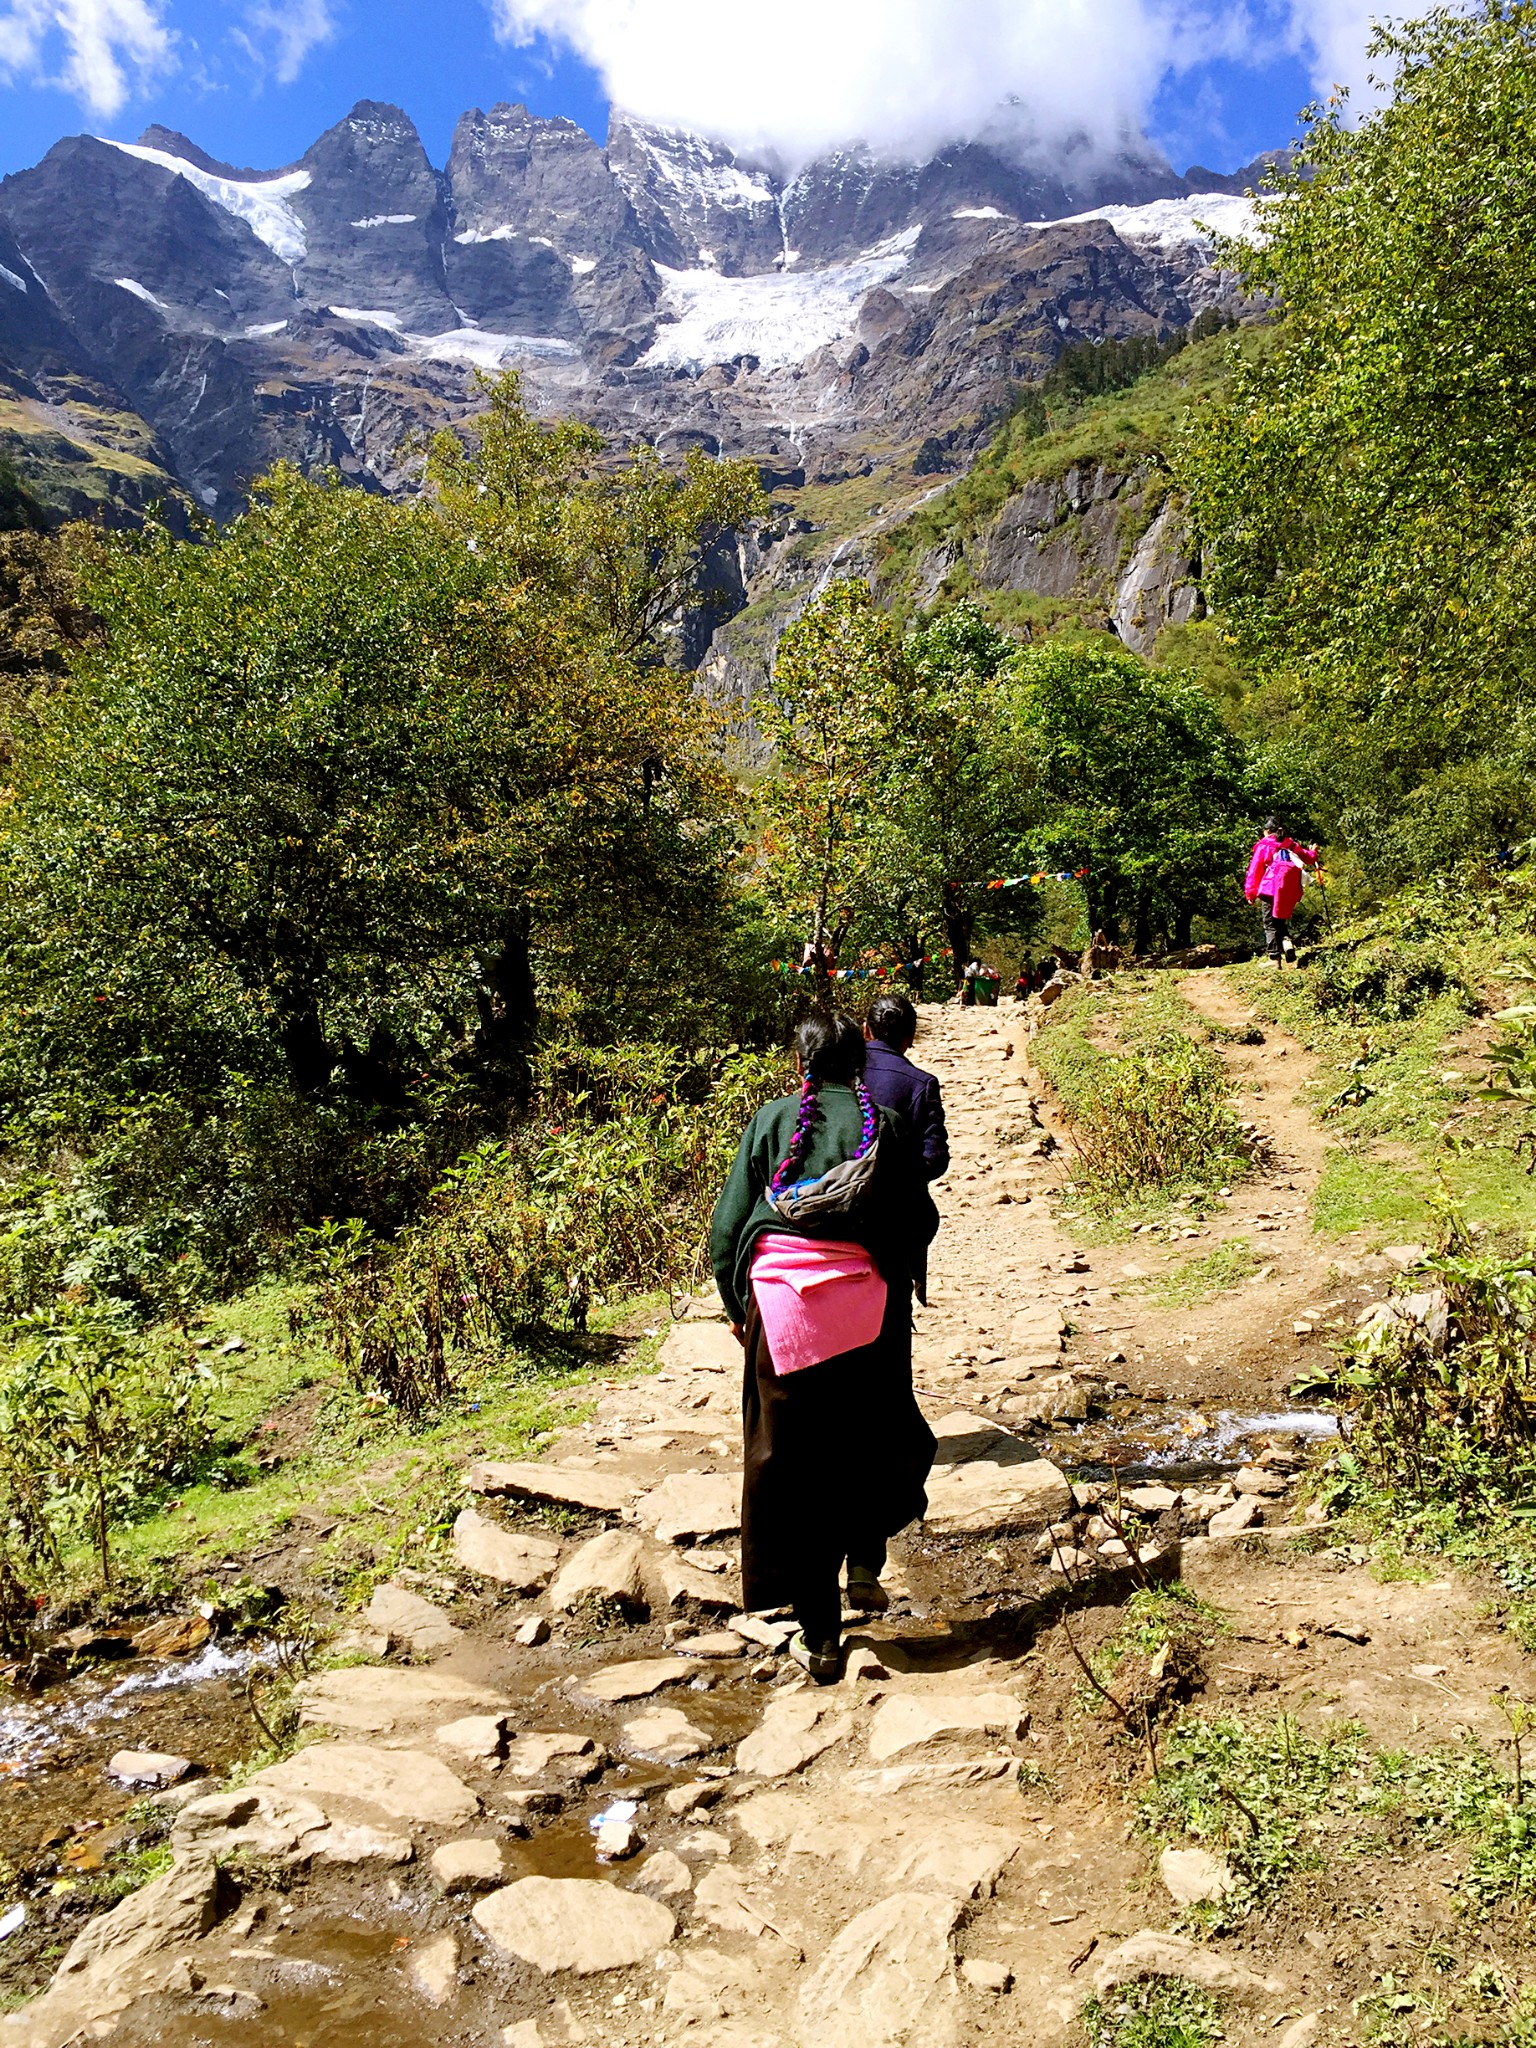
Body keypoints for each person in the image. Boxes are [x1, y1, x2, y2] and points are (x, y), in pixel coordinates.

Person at [710, 1012, 938, 1684]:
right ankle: (865, 1559)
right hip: (868, 1317)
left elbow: (728, 1229)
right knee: (872, 1440)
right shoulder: (885, 1128)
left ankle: (821, 1638)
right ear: (858, 1063)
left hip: (781, 1318)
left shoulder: (772, 1120)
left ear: (801, 1060)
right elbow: (917, 1218)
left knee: (793, 1468)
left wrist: (738, 1309)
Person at [1244, 818, 1320, 965]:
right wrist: (1313, 852)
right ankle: (1287, 944)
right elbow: (1309, 858)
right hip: (1288, 888)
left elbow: (1255, 870)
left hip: (1269, 887)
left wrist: (1250, 893)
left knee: (1269, 923)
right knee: (1279, 919)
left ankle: (1274, 958)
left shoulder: (1264, 845)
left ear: (1266, 831)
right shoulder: (1290, 844)